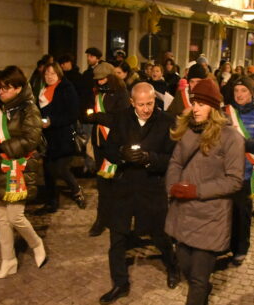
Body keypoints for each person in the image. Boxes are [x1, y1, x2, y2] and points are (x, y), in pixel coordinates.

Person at [165, 78, 245, 305]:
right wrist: (172, 187)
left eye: (201, 104)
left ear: (214, 107)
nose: (195, 108)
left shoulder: (231, 138)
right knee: (186, 268)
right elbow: (175, 162)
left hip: (211, 217)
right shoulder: (187, 131)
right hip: (183, 213)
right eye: (194, 102)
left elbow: (234, 180)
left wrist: (196, 190)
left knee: (198, 280)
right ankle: (204, 288)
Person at [99, 83, 180, 304]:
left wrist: (149, 158)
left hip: (151, 187)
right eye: (141, 104)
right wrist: (121, 154)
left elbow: (173, 159)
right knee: (117, 237)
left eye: (150, 103)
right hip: (124, 186)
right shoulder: (122, 118)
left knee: (160, 234)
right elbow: (108, 149)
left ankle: (173, 267)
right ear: (132, 102)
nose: (146, 109)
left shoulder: (166, 122)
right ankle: (120, 283)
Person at [0, 65, 47, 278]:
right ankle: (8, 261)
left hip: (18, 167)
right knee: (0, 216)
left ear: (18, 88)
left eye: (6, 88)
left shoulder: (29, 109)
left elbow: (30, 138)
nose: (1, 92)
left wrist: (3, 146)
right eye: (0, 88)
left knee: (15, 216)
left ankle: (36, 244)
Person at [225, 77, 254, 266]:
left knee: (242, 214)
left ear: (251, 92)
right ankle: (225, 245)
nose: (239, 95)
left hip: (247, 172)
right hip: (227, 172)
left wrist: (244, 144)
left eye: (243, 91)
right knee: (226, 212)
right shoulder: (227, 112)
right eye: (236, 91)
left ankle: (241, 248)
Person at [34, 63, 86, 214]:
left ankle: (76, 191)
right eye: (47, 74)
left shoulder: (66, 89)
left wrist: (52, 121)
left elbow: (72, 114)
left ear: (59, 74)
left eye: (52, 73)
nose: (49, 76)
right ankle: (51, 202)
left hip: (63, 136)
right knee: (48, 171)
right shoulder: (42, 91)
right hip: (47, 138)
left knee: (61, 169)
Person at [86, 62, 130, 237]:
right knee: (102, 184)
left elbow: (121, 119)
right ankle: (101, 219)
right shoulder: (98, 92)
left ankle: (116, 218)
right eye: (97, 80)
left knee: (114, 183)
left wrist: (97, 116)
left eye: (103, 79)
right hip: (99, 143)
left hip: (113, 144)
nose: (100, 82)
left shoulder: (121, 93)